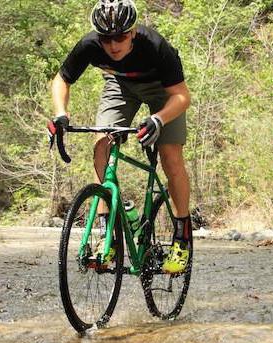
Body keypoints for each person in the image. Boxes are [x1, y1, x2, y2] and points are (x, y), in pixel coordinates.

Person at [47, 0, 191, 274]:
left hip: (164, 91)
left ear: (133, 32)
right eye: (106, 39)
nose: (113, 45)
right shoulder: (89, 45)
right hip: (120, 85)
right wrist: (60, 113)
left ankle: (182, 236)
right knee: (101, 144)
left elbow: (182, 96)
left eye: (121, 37)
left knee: (171, 158)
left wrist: (158, 119)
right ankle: (109, 234)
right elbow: (62, 79)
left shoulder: (155, 46)